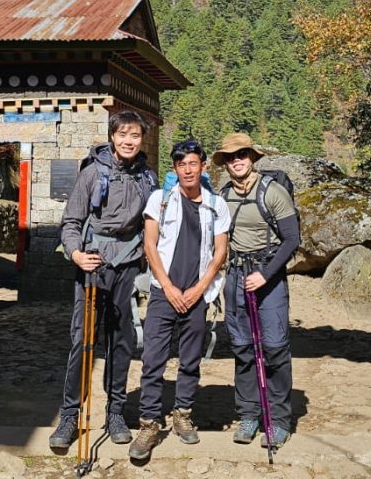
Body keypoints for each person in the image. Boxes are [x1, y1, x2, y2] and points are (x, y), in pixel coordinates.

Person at [49, 109, 157, 451]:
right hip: (92, 263)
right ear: (112, 136)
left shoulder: (147, 177)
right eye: (123, 134)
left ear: (143, 139)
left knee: (121, 340)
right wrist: (75, 254)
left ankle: (115, 412)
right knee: (83, 341)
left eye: (135, 136)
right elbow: (71, 221)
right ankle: (69, 416)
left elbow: (152, 222)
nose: (128, 141)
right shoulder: (93, 173)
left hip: (127, 266)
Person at [128, 139, 231, 463]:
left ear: (203, 167)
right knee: (153, 360)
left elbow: (220, 252)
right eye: (181, 164)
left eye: (193, 163)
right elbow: (150, 245)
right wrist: (169, 288)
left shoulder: (216, 205)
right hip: (163, 293)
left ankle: (183, 413)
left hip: (198, 294)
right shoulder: (159, 200)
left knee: (191, 360)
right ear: (175, 169)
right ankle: (149, 423)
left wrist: (199, 289)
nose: (188, 169)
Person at [213, 132, 300, 450]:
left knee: (275, 347)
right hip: (236, 277)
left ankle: (278, 420)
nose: (237, 160)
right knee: (243, 348)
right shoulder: (222, 196)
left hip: (269, 278)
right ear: (225, 162)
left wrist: (264, 274)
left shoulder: (273, 192)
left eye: (243, 154)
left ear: (252, 157)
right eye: (231, 156)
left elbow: (291, 238)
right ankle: (249, 415)